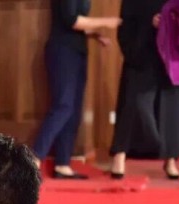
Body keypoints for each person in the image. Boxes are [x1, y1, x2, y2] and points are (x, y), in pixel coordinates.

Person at [109, 0, 179, 180]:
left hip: (175, 54)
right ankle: (120, 155)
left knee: (173, 108)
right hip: (143, 51)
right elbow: (127, 23)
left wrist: (176, 22)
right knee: (134, 103)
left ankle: (170, 159)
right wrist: (149, 23)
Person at [32, 2, 121, 179]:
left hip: (77, 51)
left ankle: (62, 165)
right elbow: (71, 20)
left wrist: (96, 35)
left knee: (73, 111)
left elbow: (78, 23)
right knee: (63, 106)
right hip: (62, 51)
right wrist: (107, 22)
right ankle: (32, 159)